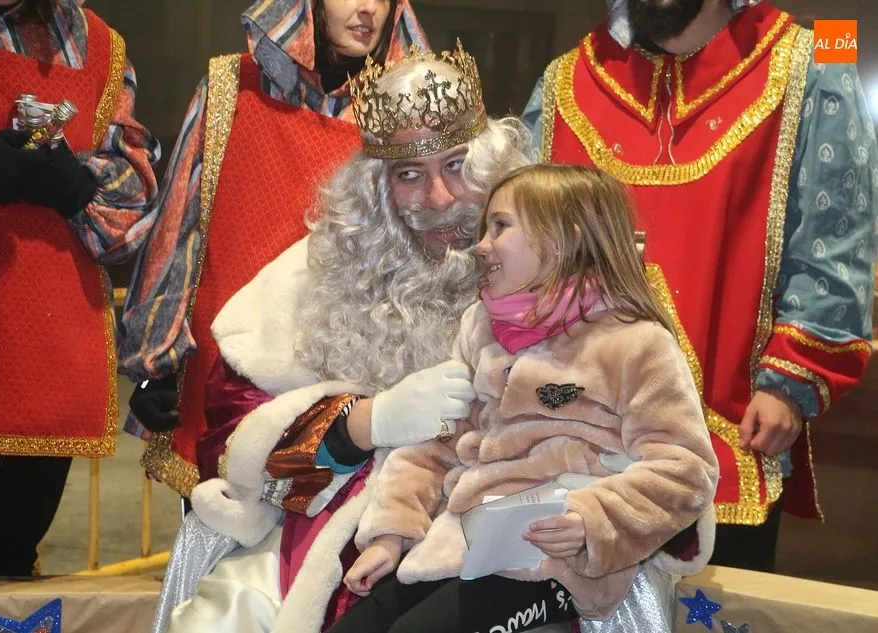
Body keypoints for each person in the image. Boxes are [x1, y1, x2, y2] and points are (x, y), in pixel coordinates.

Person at [150, 43, 533, 633]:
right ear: (376, 187)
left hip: (499, 535)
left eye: (457, 166)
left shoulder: (554, 273)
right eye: (409, 175)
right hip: (328, 543)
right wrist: (362, 425)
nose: (437, 200)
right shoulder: (312, 275)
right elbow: (228, 450)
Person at [522, 0, 877, 572]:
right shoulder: (564, 79)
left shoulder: (819, 56)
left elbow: (837, 238)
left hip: (735, 438)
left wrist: (792, 379)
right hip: (575, 446)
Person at [331, 163, 719, 633]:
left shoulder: (634, 341)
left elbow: (685, 469)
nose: (481, 245)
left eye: (500, 226)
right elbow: (438, 442)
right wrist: (392, 533)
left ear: (564, 239)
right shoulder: (479, 327)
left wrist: (590, 521)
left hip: (556, 563)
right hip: (459, 545)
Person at [119, 0, 429, 497]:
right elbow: (179, 224)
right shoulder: (231, 88)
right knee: (219, 532)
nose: (368, 9)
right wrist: (155, 360)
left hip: (346, 379)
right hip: (227, 376)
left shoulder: (405, 116)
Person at [0, 0, 159, 629]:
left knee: (5, 586)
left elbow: (133, 210)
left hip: (43, 377)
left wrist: (79, 187)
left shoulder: (97, 44)